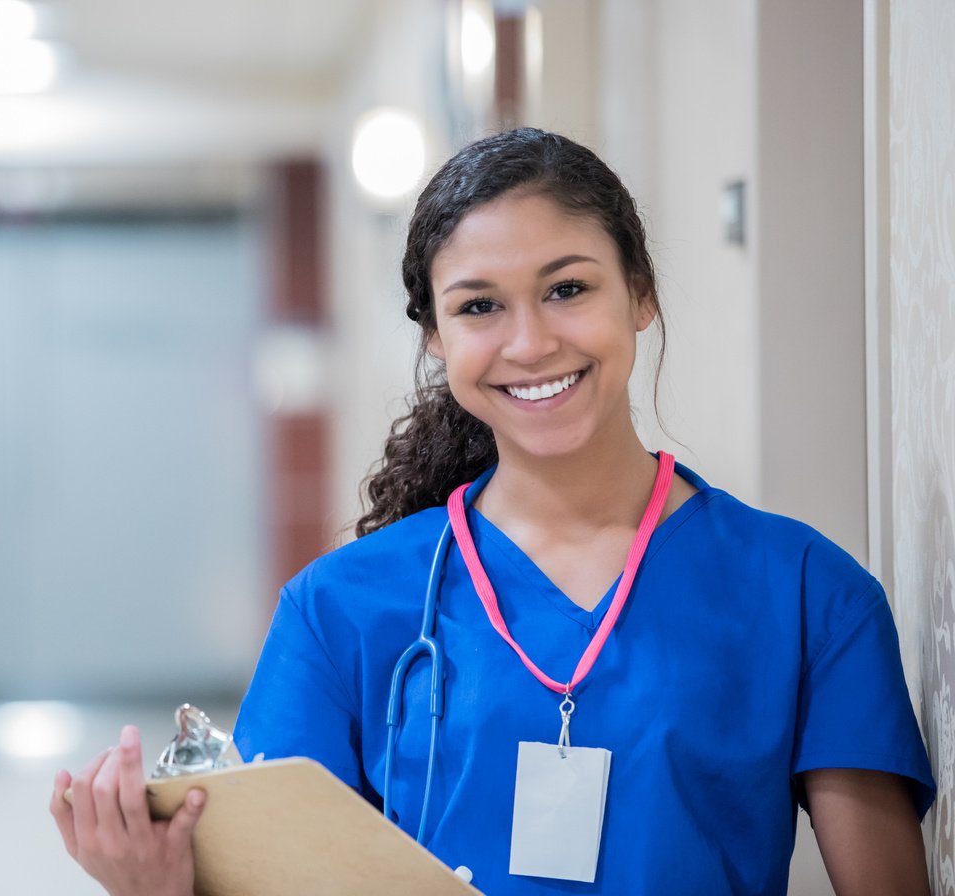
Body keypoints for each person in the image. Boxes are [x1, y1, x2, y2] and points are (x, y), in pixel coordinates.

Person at [50, 128, 935, 895]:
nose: (529, 342)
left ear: (642, 295)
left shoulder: (809, 594)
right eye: (479, 307)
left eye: (568, 289)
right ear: (437, 337)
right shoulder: (339, 610)